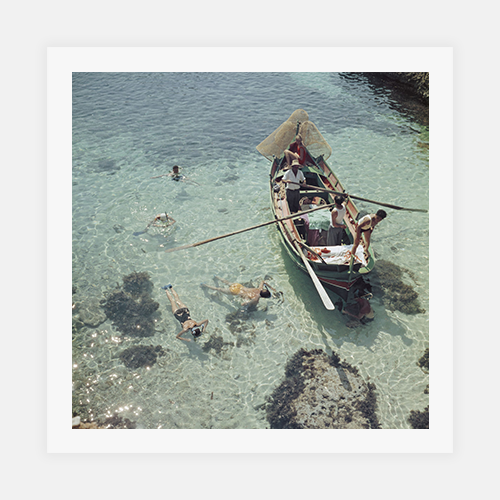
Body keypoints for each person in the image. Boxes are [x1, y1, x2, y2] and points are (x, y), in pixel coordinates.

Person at [201, 276, 274, 309]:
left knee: (227, 282)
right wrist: (245, 304)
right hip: (235, 291)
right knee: (219, 289)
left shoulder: (259, 288)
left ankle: (216, 277)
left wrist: (271, 287)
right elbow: (244, 304)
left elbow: (263, 281)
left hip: (239, 286)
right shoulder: (256, 299)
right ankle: (204, 285)